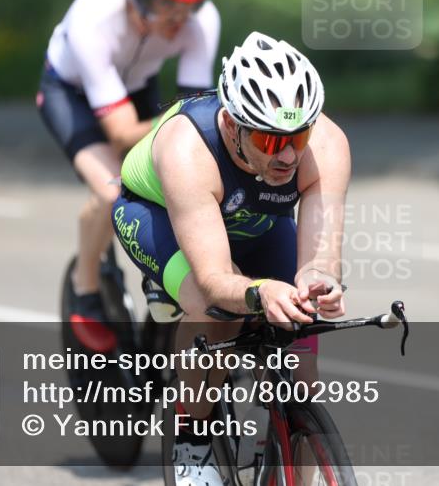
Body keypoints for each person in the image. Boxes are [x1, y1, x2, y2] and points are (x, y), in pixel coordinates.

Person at [112, 31, 350, 485]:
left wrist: (319, 282)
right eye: (269, 140)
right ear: (230, 125)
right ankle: (191, 437)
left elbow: (320, 258)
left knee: (301, 368)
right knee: (219, 311)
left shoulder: (327, 145)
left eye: (298, 136)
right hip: (157, 214)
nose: (288, 155)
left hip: (255, 222)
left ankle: (283, 449)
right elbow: (216, 278)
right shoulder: (188, 149)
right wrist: (259, 292)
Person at [37, 0, 220, 348]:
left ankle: (162, 269)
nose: (180, 20)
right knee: (111, 190)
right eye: (167, 6)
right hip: (71, 93)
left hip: (137, 87)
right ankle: (85, 290)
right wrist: (184, 123)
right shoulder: (92, 19)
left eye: (191, 7)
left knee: (181, 176)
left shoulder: (202, 21)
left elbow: (195, 112)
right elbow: (121, 134)